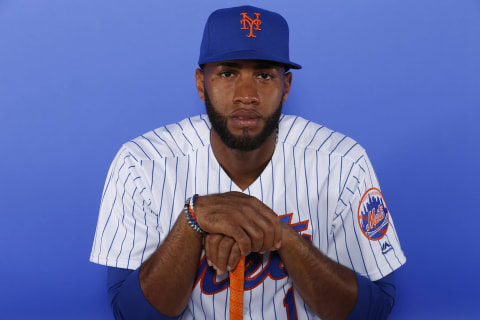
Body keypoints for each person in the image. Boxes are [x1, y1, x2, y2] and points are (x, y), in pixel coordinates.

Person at [90, 5, 406, 320]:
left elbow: (376, 309)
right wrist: (192, 221)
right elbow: (129, 313)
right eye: (228, 73)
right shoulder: (140, 164)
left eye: (264, 75)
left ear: (286, 87)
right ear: (201, 84)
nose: (246, 94)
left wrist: (281, 236)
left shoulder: (344, 162)